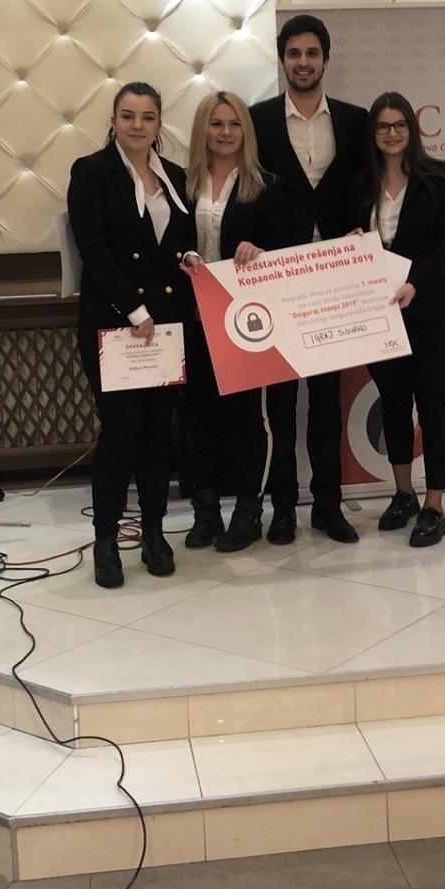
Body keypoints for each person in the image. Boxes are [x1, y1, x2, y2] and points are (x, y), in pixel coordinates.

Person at [68, 81, 194, 588]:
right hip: (114, 324)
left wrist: (188, 257)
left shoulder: (176, 176)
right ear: (114, 121)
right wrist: (134, 309)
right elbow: (93, 250)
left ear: (159, 123)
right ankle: (106, 539)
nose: (137, 125)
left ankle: (155, 532)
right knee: (120, 432)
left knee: (158, 433)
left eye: (147, 117)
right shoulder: (91, 172)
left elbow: (176, 242)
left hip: (163, 328)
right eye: (128, 116)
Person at [250, 13, 367, 545]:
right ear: (282, 60)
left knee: (326, 402)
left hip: (334, 282)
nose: (303, 62)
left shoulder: (355, 120)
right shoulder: (256, 121)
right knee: (279, 404)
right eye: (294, 53)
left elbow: (364, 187)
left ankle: (327, 505)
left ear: (326, 60)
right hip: (278, 278)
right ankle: (281, 508)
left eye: (312, 53)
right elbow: (247, 192)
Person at [350, 91, 445, 547]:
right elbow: (348, 242)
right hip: (379, 316)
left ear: (411, 130)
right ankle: (403, 494)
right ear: (373, 133)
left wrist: (415, 282)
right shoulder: (362, 185)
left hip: (430, 313)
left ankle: (434, 505)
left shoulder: (438, 178)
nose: (392, 133)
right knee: (393, 404)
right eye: (383, 126)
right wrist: (353, 240)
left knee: (433, 404)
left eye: (399, 125)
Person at [182, 90, 278, 552]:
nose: (225, 132)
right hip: (193, 316)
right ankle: (205, 513)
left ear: (246, 130)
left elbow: (285, 248)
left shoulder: (266, 185)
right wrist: (182, 256)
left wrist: (261, 251)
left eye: (234, 124)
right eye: (217, 124)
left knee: (245, 418)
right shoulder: (181, 184)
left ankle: (247, 511)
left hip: (244, 319)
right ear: (203, 130)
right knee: (197, 416)